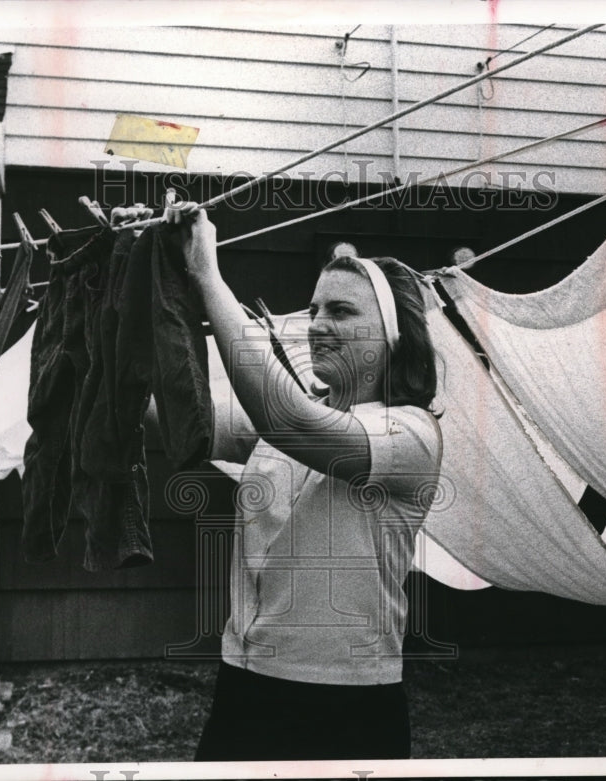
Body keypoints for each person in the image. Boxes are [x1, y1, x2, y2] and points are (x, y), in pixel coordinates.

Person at [165, 203, 443, 761]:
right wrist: (153, 276)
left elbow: (288, 420)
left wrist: (207, 275)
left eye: (341, 311)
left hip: (347, 705)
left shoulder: (412, 433)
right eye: (314, 309)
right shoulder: (287, 421)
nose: (316, 325)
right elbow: (172, 415)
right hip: (245, 682)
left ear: (392, 337)